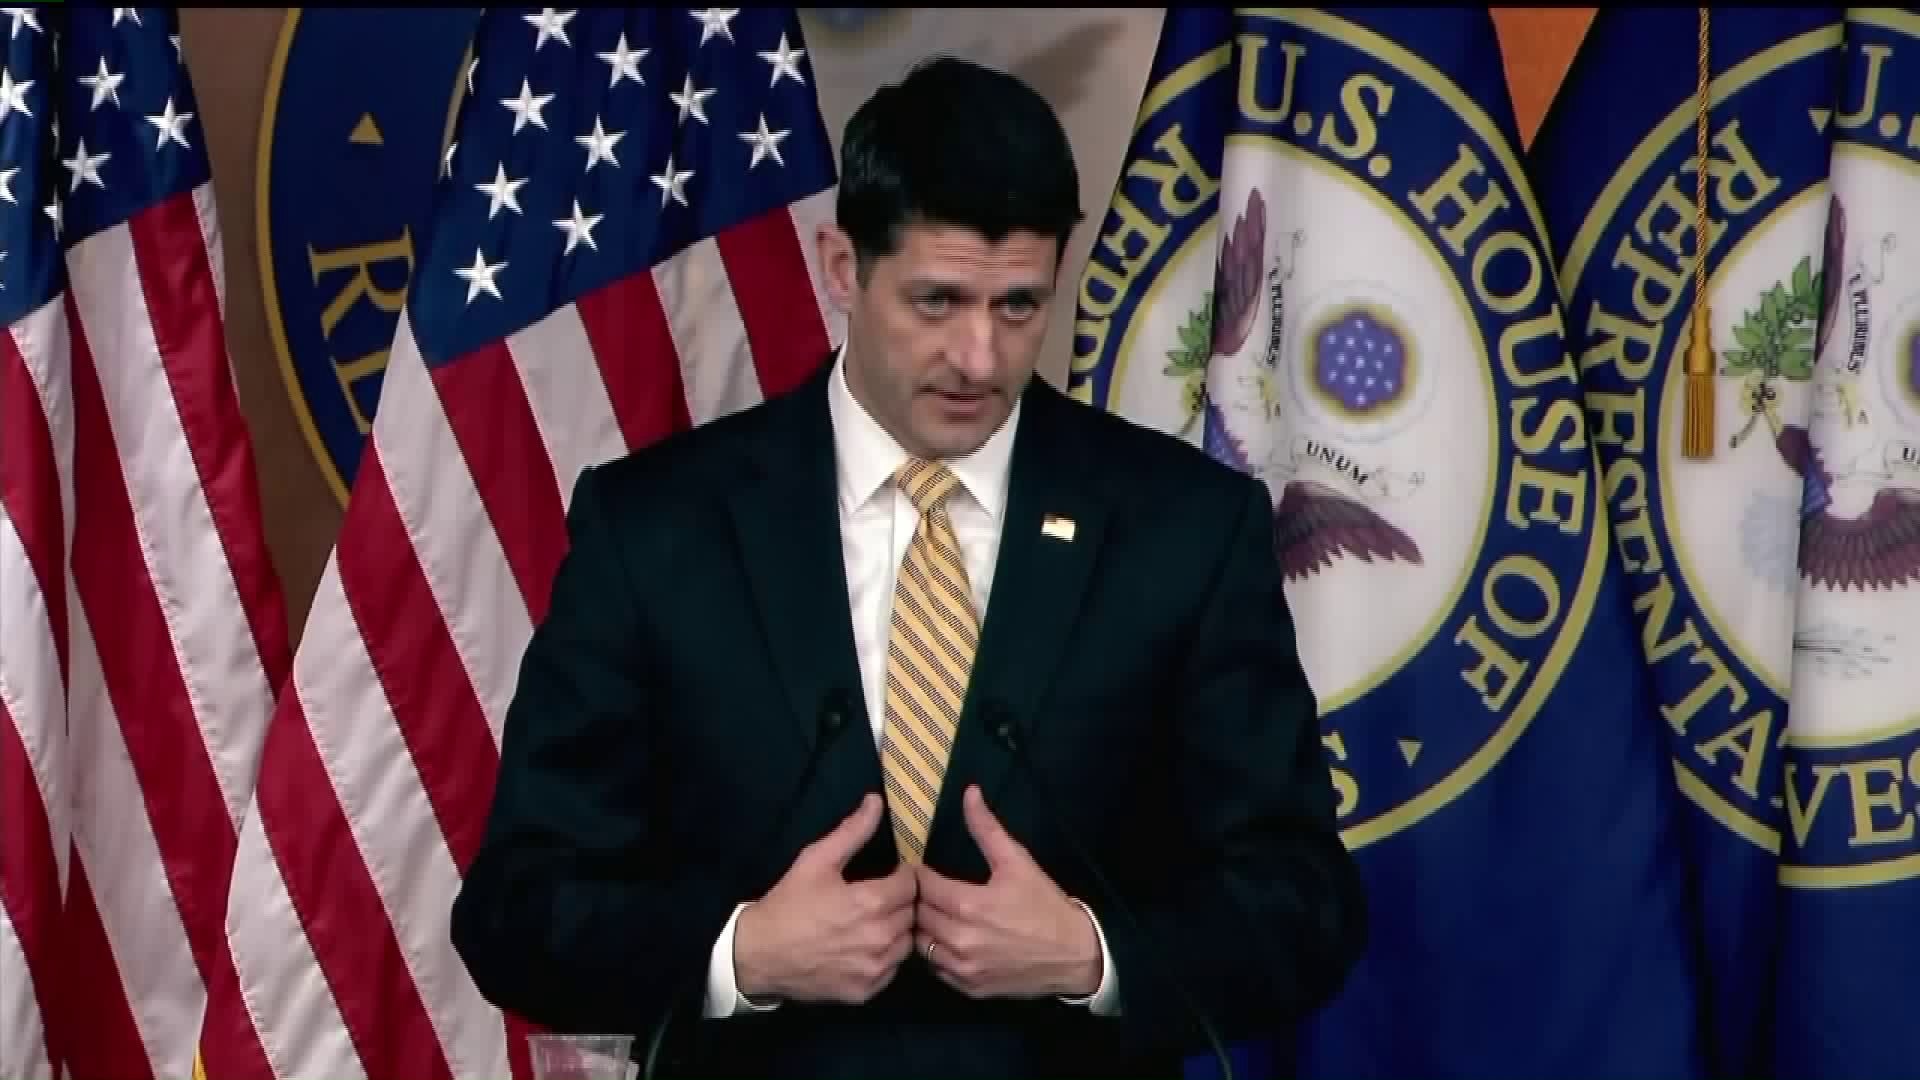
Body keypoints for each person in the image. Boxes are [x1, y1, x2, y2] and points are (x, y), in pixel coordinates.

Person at [450, 55, 1365, 1080]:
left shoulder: (1184, 529)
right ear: (842, 268)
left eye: (1018, 307)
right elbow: (515, 911)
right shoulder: (659, 529)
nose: (979, 357)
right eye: (937, 302)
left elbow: (1304, 904)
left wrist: (1091, 954)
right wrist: (740, 953)